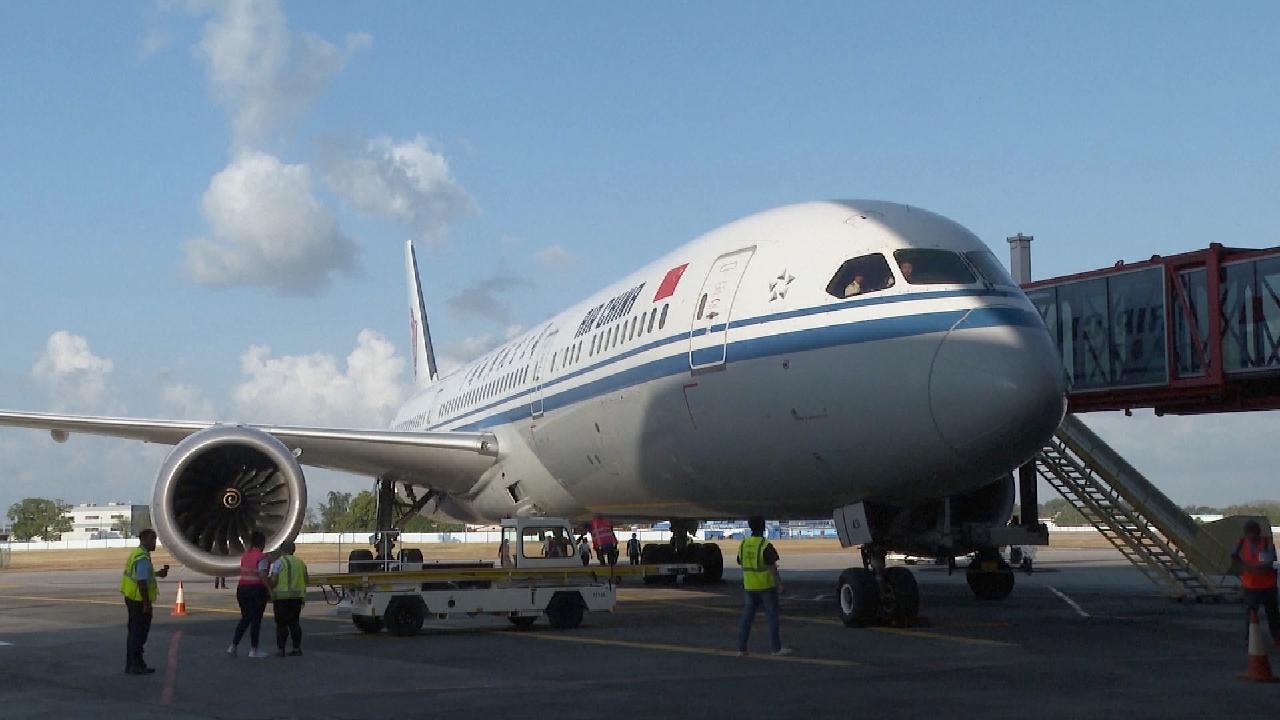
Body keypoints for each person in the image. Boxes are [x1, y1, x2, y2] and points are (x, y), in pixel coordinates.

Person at [736, 516, 790, 656]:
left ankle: (742, 648)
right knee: (772, 617)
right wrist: (779, 584)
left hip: (749, 586)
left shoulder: (744, 544)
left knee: (747, 618)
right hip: (766, 586)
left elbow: (740, 561)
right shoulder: (765, 545)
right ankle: (775, 648)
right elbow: (772, 566)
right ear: (763, 527)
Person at [120, 529, 168, 675]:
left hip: (132, 597)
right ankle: (134, 665)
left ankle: (135, 664)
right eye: (152, 539)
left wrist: (158, 574)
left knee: (135, 633)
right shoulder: (141, 557)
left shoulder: (138, 554)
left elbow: (143, 575)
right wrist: (147, 604)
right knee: (139, 634)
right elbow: (141, 581)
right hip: (138, 600)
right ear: (144, 540)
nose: (154, 543)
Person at [1233, 520, 1279, 645]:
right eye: (1248, 534)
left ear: (1257, 533)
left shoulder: (1266, 543)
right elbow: (1235, 557)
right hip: (1251, 585)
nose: (1250, 537)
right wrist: (1245, 567)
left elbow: (1269, 562)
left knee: (1272, 613)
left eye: (1252, 534)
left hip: (1267, 585)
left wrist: (1254, 567)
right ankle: (1250, 639)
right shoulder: (1241, 543)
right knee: (1251, 614)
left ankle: (1276, 637)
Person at [228, 531, 271, 658]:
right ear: (262, 543)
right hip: (256, 590)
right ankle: (254, 650)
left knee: (245, 618)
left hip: (242, 589)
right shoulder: (261, 557)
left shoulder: (245, 555)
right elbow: (262, 575)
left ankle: (233, 646)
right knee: (256, 620)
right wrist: (270, 590)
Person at [269, 540, 308, 657]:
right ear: (293, 550)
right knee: (295, 623)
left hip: (281, 598)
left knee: (281, 624)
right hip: (297, 598)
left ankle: (281, 650)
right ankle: (297, 648)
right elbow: (306, 579)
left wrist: (268, 588)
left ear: (282, 550)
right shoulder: (301, 563)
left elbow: (274, 580)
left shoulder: (278, 563)